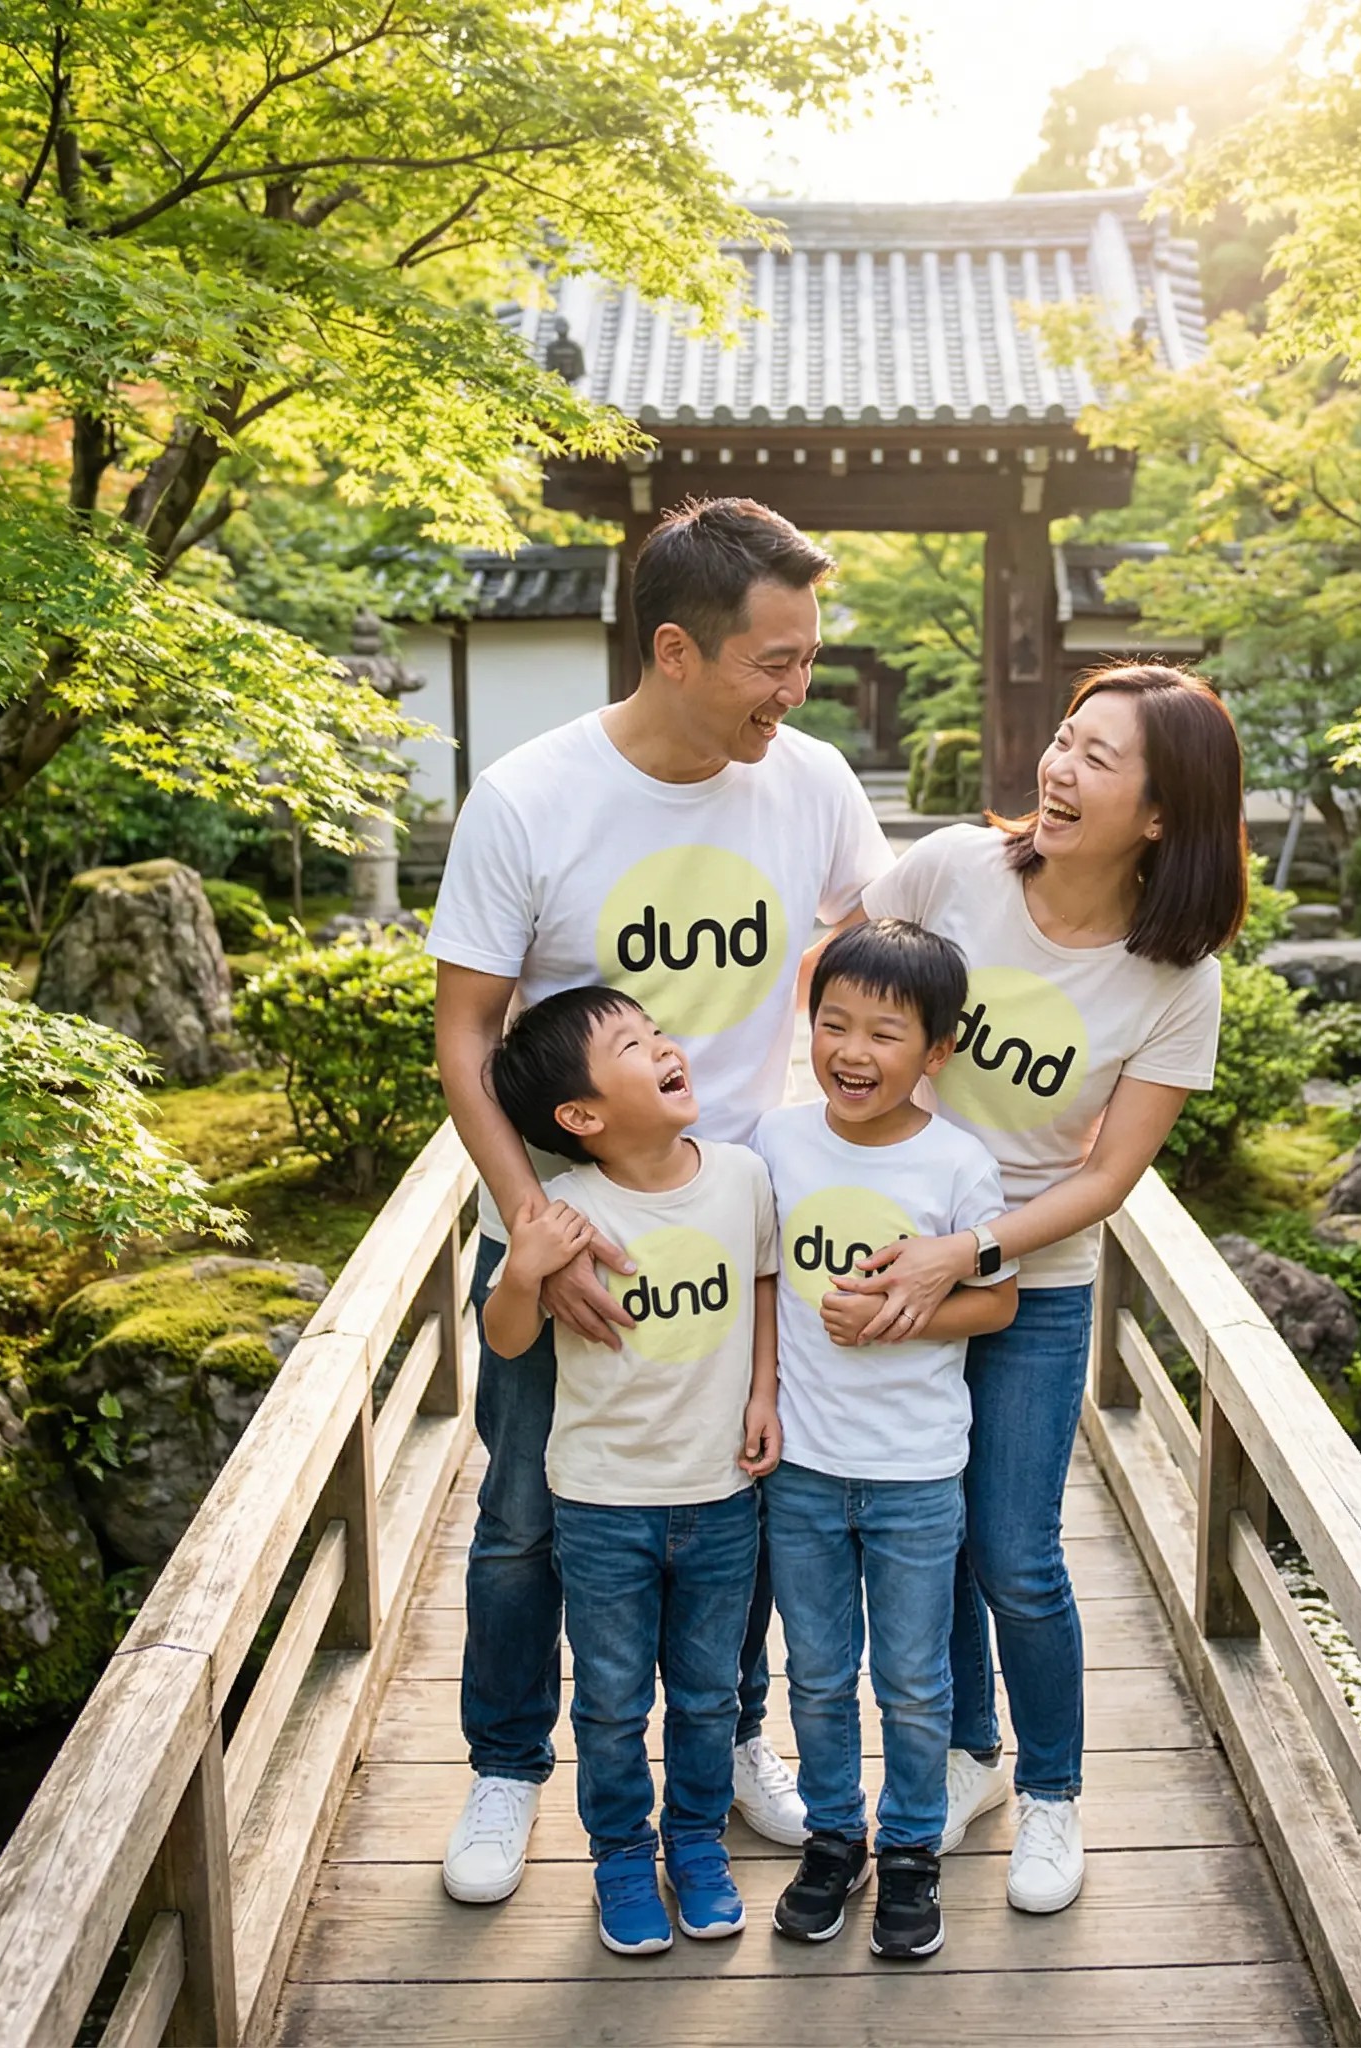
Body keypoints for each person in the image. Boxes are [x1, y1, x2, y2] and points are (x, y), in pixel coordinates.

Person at [426, 497, 894, 1905]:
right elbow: (465, 1033)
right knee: (524, 1515)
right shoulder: (530, 797)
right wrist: (530, 1226)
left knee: (738, 1500)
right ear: (678, 652)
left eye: (809, 660)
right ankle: (509, 1765)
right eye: (774, 663)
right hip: (568, 1229)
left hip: (742, 1233)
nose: (796, 692)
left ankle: (734, 1741)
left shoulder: (810, 782)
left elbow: (880, 946)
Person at [848, 666, 1244, 1916]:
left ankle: (1055, 1791)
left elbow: (1112, 1175)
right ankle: (969, 1755)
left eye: (1097, 759)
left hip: (1028, 1278)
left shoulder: (1174, 972)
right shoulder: (951, 871)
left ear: (1162, 812)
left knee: (1015, 1552)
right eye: (1061, 742)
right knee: (927, 1533)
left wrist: (966, 1252)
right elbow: (843, 995)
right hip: (888, 1248)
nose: (1058, 771)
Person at [481, 987, 779, 1955]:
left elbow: (765, 1283)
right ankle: (617, 1852)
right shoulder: (565, 1209)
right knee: (610, 1699)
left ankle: (694, 1840)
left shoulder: (740, 1176)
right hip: (603, 1505)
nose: (665, 1045)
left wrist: (764, 1392)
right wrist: (524, 1267)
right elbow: (506, 1334)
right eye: (631, 1044)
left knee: (707, 1692)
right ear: (581, 1116)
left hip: (720, 1495)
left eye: (657, 1033)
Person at [752, 918, 1019, 1961]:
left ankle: (910, 1846)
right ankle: (833, 1838)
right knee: (814, 1672)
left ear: (937, 1049)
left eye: (885, 1032)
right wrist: (760, 1395)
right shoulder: (776, 1140)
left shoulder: (957, 1161)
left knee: (913, 1678)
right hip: (805, 1469)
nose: (852, 1051)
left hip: (914, 1471)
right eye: (832, 1024)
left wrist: (905, 1312)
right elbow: (763, 1275)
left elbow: (993, 1306)